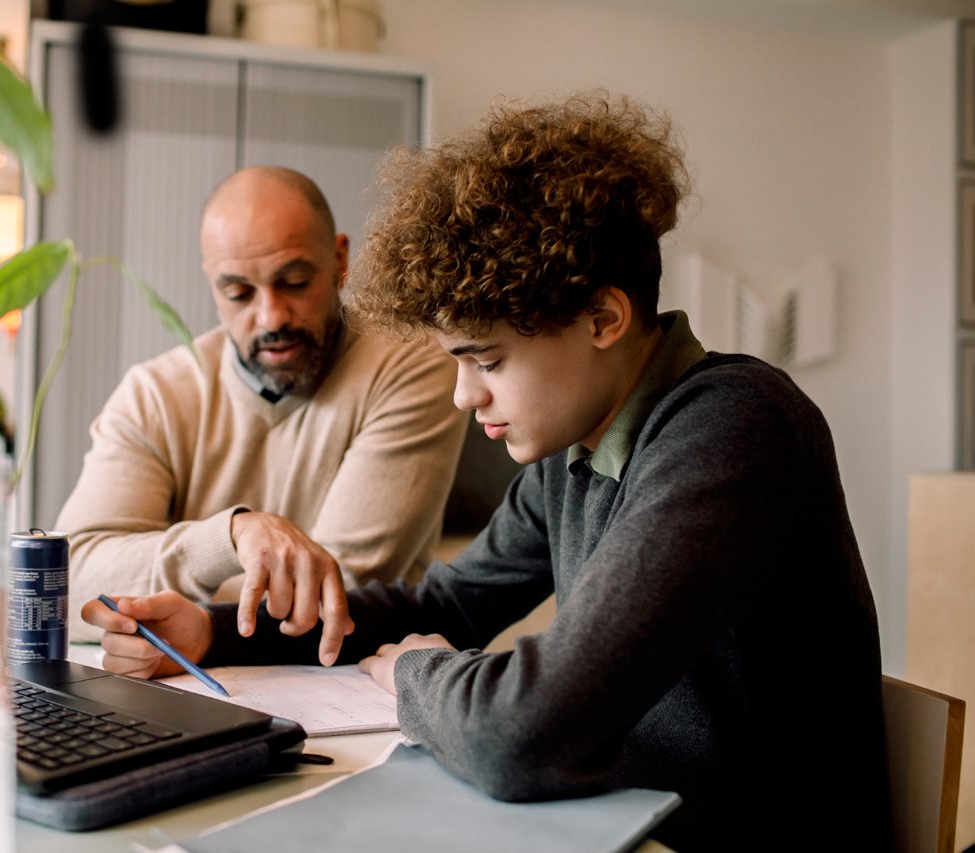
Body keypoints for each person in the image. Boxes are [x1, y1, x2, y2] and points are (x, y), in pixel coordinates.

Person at [80, 95, 889, 850]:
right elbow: (448, 604)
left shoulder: (731, 427)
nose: (466, 396)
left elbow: (524, 733)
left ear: (603, 318)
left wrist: (414, 676)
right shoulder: (575, 449)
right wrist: (211, 630)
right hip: (617, 825)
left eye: (487, 361)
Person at [59, 166, 468, 656]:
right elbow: (68, 582)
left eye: (294, 282)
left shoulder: (411, 362)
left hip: (351, 688)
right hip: (184, 685)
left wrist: (178, 614)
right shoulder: (153, 395)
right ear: (212, 284)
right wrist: (228, 537)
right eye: (239, 294)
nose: (271, 316)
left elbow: (340, 589)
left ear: (340, 259)